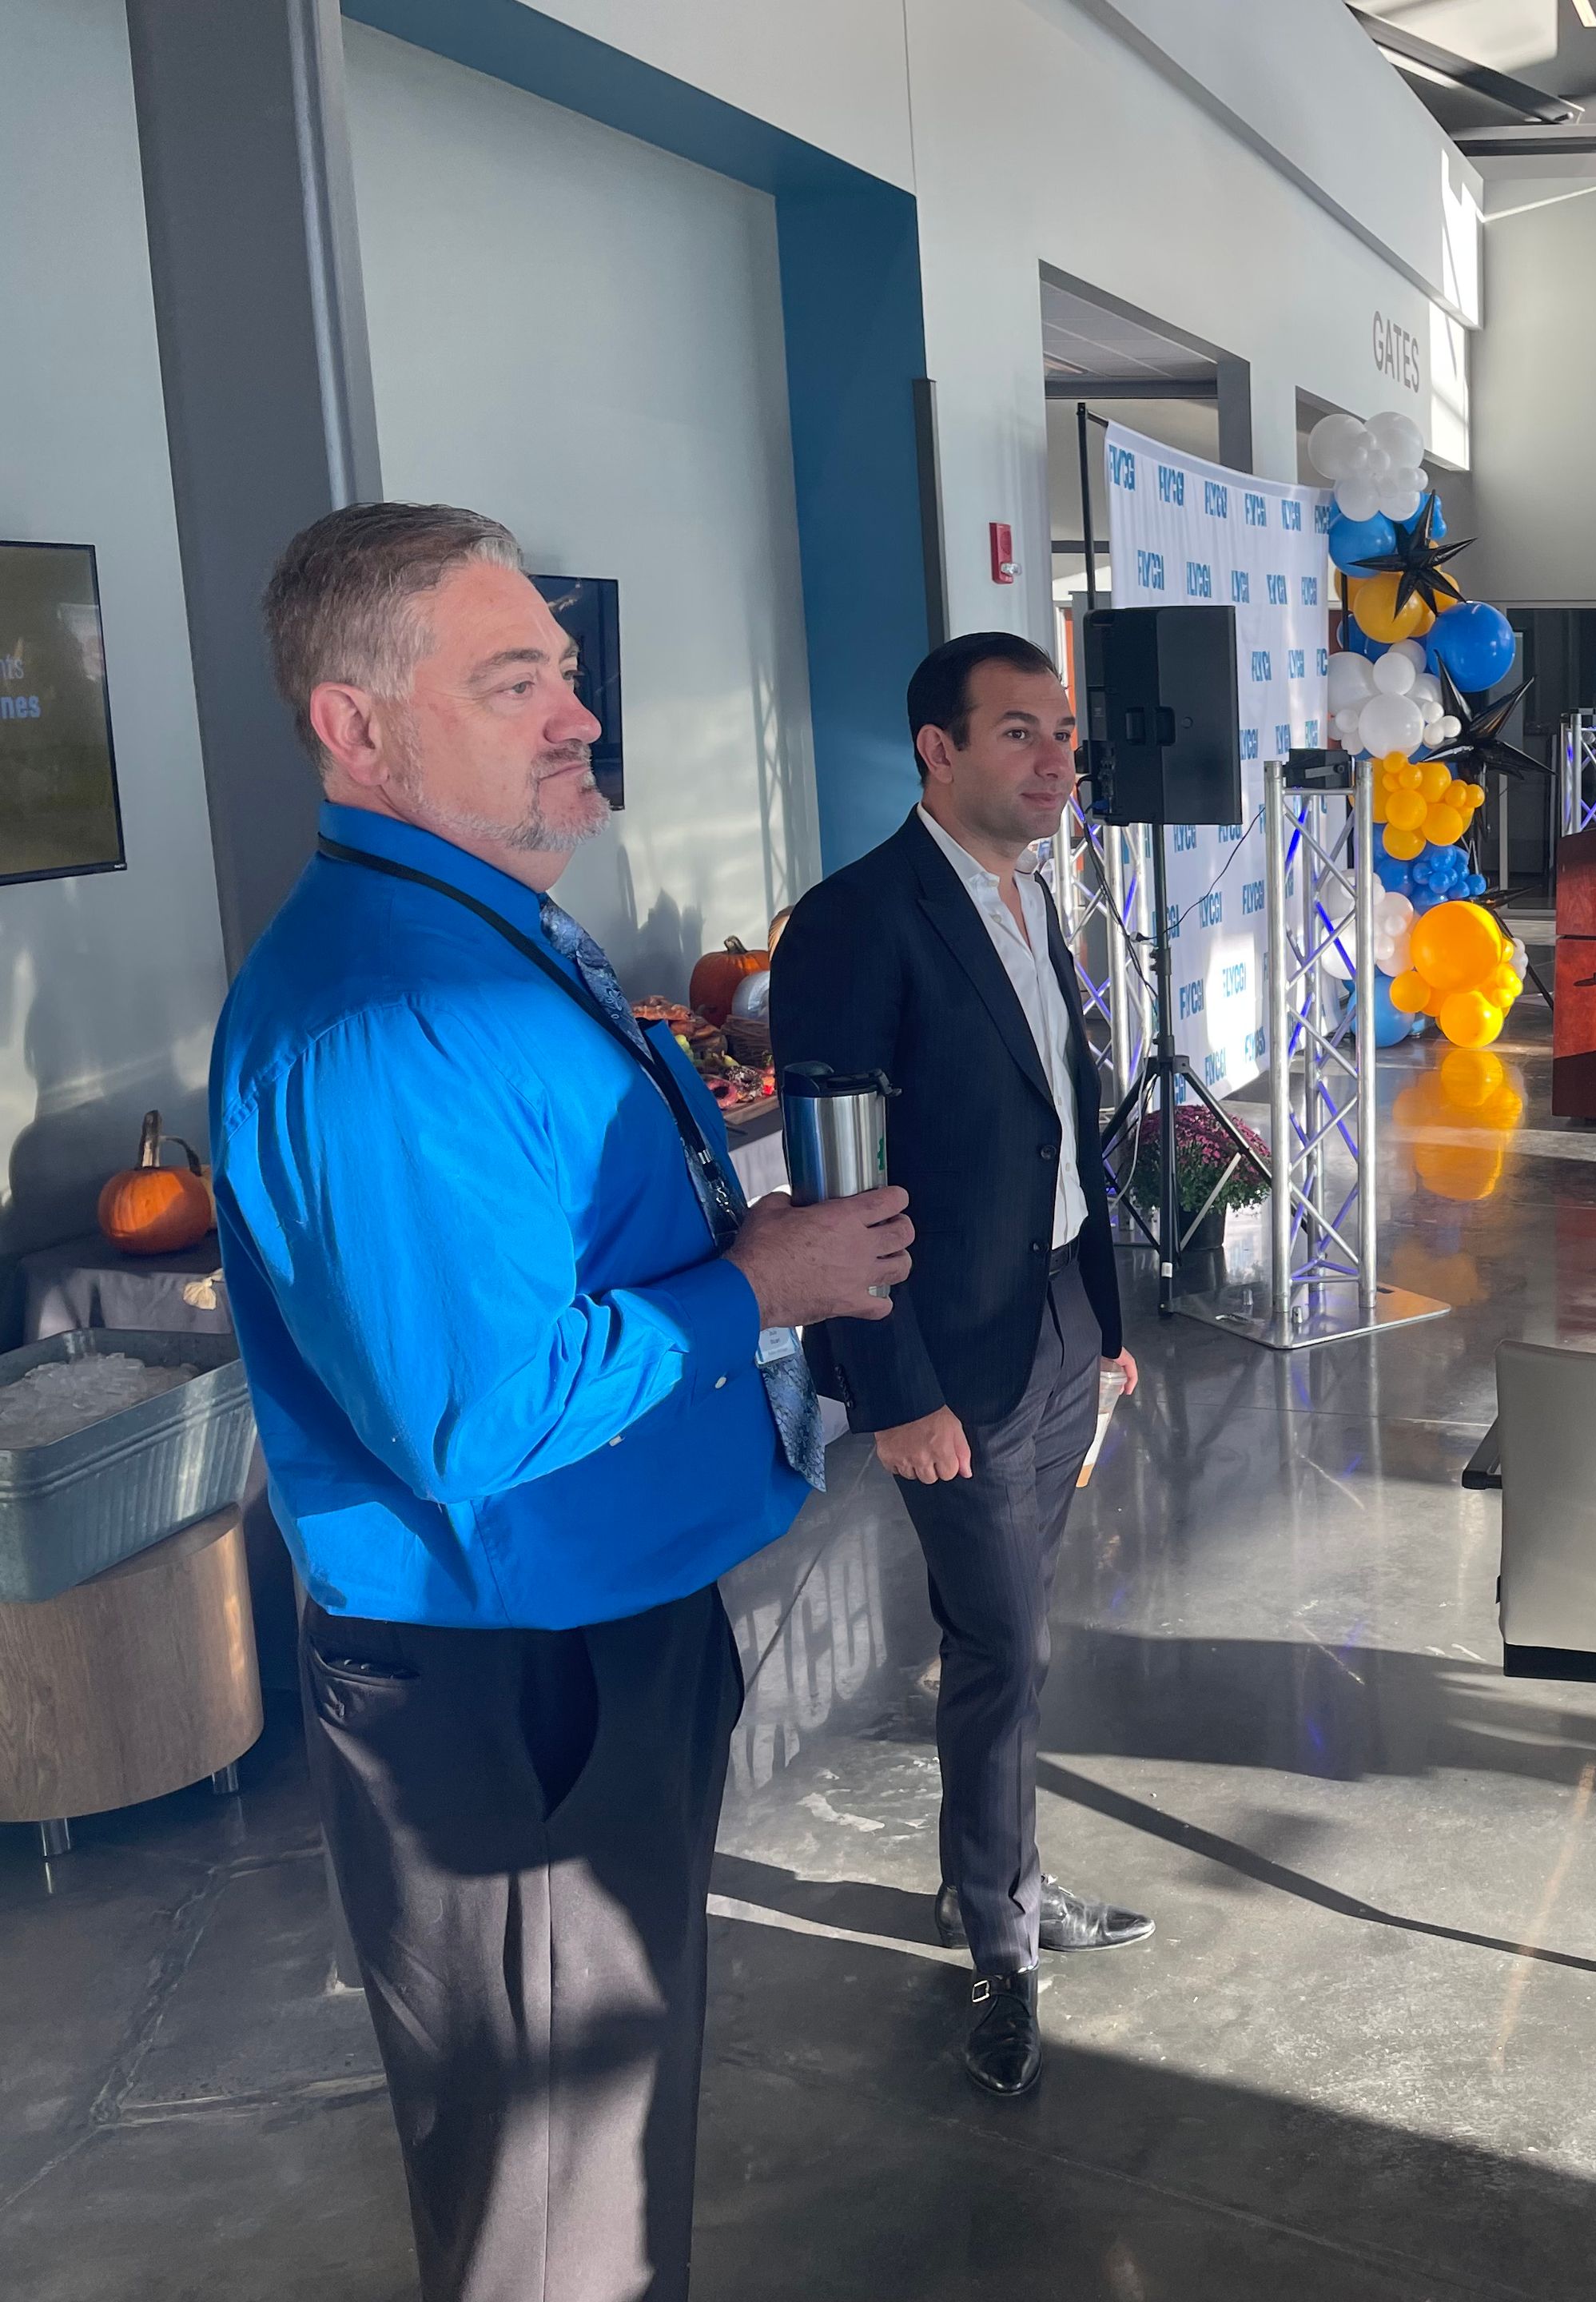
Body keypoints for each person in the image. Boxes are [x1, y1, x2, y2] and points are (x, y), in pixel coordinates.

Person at [213, 502, 912, 2302]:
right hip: (506, 1691)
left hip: (605, 1631)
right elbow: (472, 1419)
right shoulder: (388, 1014)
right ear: (354, 730)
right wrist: (757, 1288)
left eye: (569, 678)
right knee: (553, 2210)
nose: (577, 719)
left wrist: (723, 1246)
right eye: (513, 682)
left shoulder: (495, 936)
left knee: (605, 2160)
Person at [770, 632, 1149, 2102]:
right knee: (1004, 1642)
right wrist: (898, 1391)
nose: (1057, 759)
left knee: (1019, 1626)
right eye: (1018, 733)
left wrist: (1105, 1326)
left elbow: (1060, 1129)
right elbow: (834, 1202)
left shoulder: (1030, 898)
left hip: (1054, 1316)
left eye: (1062, 733)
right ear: (936, 750)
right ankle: (996, 1924)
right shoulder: (859, 923)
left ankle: (1005, 1878)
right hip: (951, 1355)